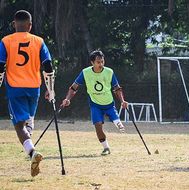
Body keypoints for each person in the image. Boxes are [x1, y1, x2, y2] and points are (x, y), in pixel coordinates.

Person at [0, 10, 55, 177]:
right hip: (34, 88)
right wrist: (51, 90)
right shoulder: (39, 41)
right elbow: (48, 67)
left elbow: (0, 66)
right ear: (30, 26)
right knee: (29, 119)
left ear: (14, 24)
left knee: (19, 125)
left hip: (15, 88)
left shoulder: (5, 41)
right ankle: (29, 141)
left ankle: (32, 153)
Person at [60, 50, 128, 156]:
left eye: (102, 61)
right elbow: (74, 87)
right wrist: (67, 99)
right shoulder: (85, 73)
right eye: (98, 62)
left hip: (109, 103)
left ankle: (118, 122)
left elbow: (117, 88)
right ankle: (106, 148)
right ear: (92, 62)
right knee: (98, 126)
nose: (101, 64)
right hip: (95, 104)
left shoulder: (109, 72)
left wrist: (122, 101)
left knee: (117, 122)